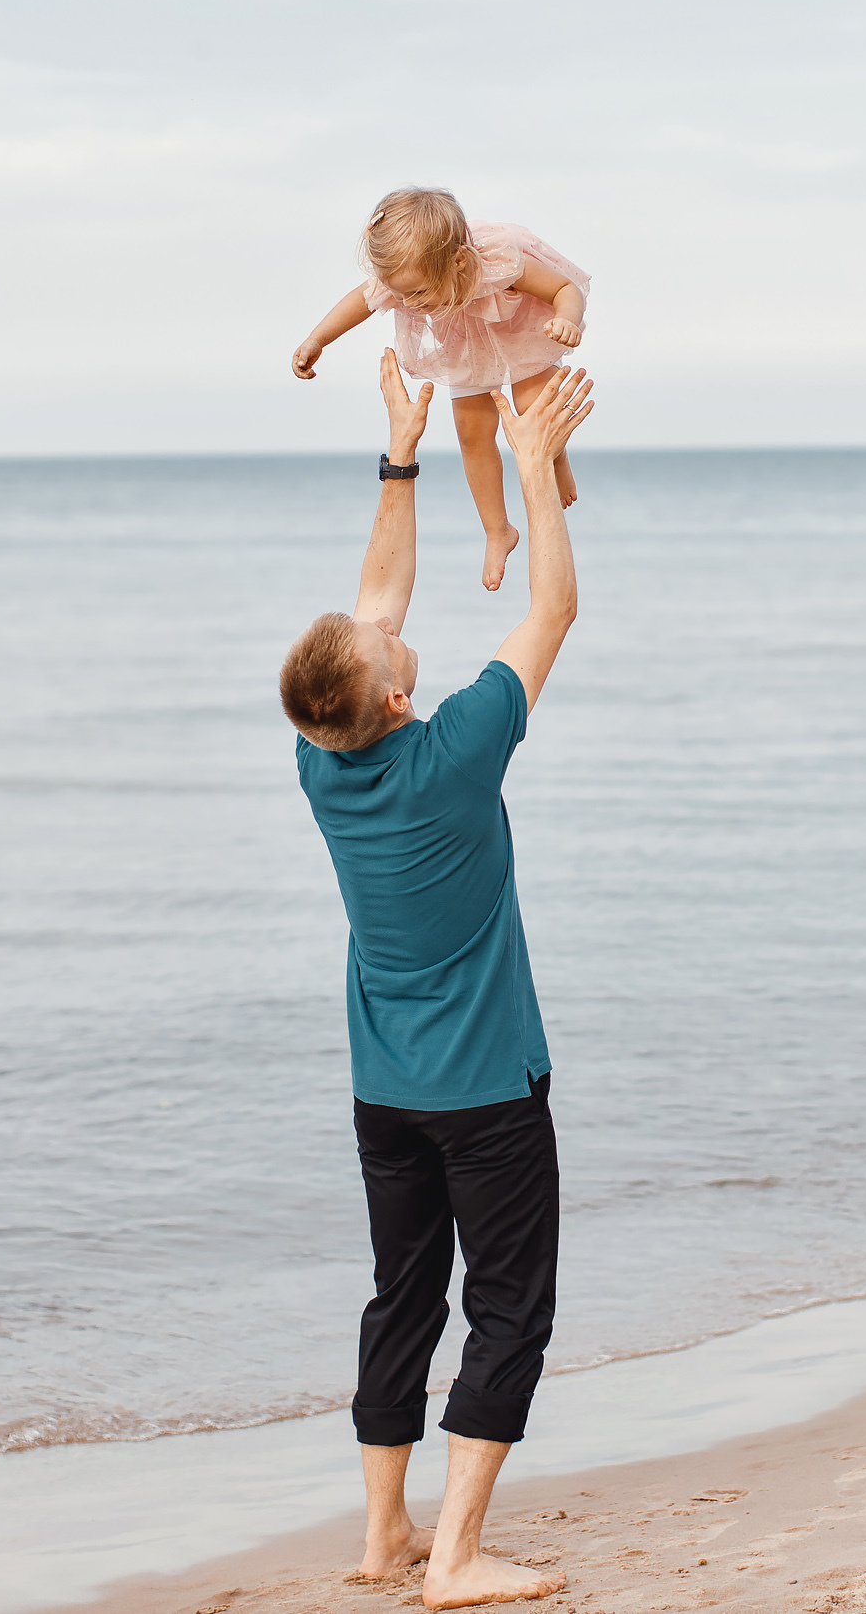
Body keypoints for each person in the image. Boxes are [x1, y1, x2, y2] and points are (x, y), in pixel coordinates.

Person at [278, 350, 595, 1609]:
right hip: (486, 1097)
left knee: (401, 1295)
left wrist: (403, 452)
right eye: (380, 644)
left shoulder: (323, 763)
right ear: (398, 687)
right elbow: (553, 614)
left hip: (384, 1095)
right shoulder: (458, 749)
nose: (381, 623)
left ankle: (379, 1537)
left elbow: (373, 600)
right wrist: (531, 478)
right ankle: (453, 1557)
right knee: (509, 1307)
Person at [291, 187, 590, 594]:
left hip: (523, 331)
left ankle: (557, 459)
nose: (407, 305)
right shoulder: (404, 281)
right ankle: (497, 530)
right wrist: (317, 340)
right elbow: (359, 302)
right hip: (466, 344)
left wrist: (567, 320)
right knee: (471, 433)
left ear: (458, 262)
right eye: (399, 294)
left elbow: (564, 289)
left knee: (531, 406)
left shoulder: (496, 261)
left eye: (416, 293)